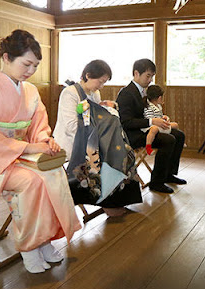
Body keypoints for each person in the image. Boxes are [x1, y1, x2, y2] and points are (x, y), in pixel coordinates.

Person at [0, 29, 82, 274]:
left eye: (35, 65)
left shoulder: (30, 91)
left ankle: (44, 241)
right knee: (31, 182)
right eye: (27, 64)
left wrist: (46, 140)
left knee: (54, 175)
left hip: (17, 154)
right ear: (7, 58)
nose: (31, 71)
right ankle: (29, 247)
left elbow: (39, 125)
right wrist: (28, 147)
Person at [53, 60, 142, 217]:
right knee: (106, 157)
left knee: (124, 152)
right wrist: (99, 138)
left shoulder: (94, 94)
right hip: (73, 141)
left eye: (104, 83)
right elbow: (71, 126)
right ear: (88, 75)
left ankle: (120, 199)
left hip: (91, 138)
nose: (101, 86)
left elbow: (97, 118)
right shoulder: (69, 93)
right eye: (100, 82)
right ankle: (107, 202)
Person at [116, 59, 186, 193]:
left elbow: (150, 112)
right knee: (168, 139)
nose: (150, 80)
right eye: (148, 76)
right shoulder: (126, 93)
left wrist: (160, 118)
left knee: (179, 135)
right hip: (132, 134)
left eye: (151, 77)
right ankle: (157, 182)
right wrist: (152, 122)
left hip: (146, 129)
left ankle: (168, 174)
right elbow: (125, 122)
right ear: (136, 73)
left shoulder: (145, 92)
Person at [141, 85, 179, 155]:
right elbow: (150, 118)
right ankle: (148, 147)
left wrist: (164, 118)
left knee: (175, 125)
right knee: (154, 129)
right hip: (152, 126)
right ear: (160, 98)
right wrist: (158, 121)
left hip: (160, 125)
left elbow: (160, 116)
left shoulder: (158, 106)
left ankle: (179, 142)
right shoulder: (149, 107)